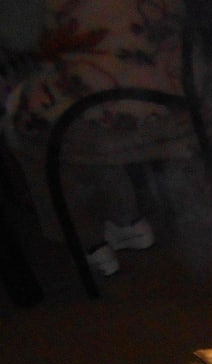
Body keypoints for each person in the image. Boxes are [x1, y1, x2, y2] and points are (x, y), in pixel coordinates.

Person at [1, 0, 184, 276]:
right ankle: (125, 220)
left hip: (125, 106)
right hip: (179, 89)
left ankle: (88, 240)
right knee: (61, 105)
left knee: (28, 123)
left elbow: (19, 36)